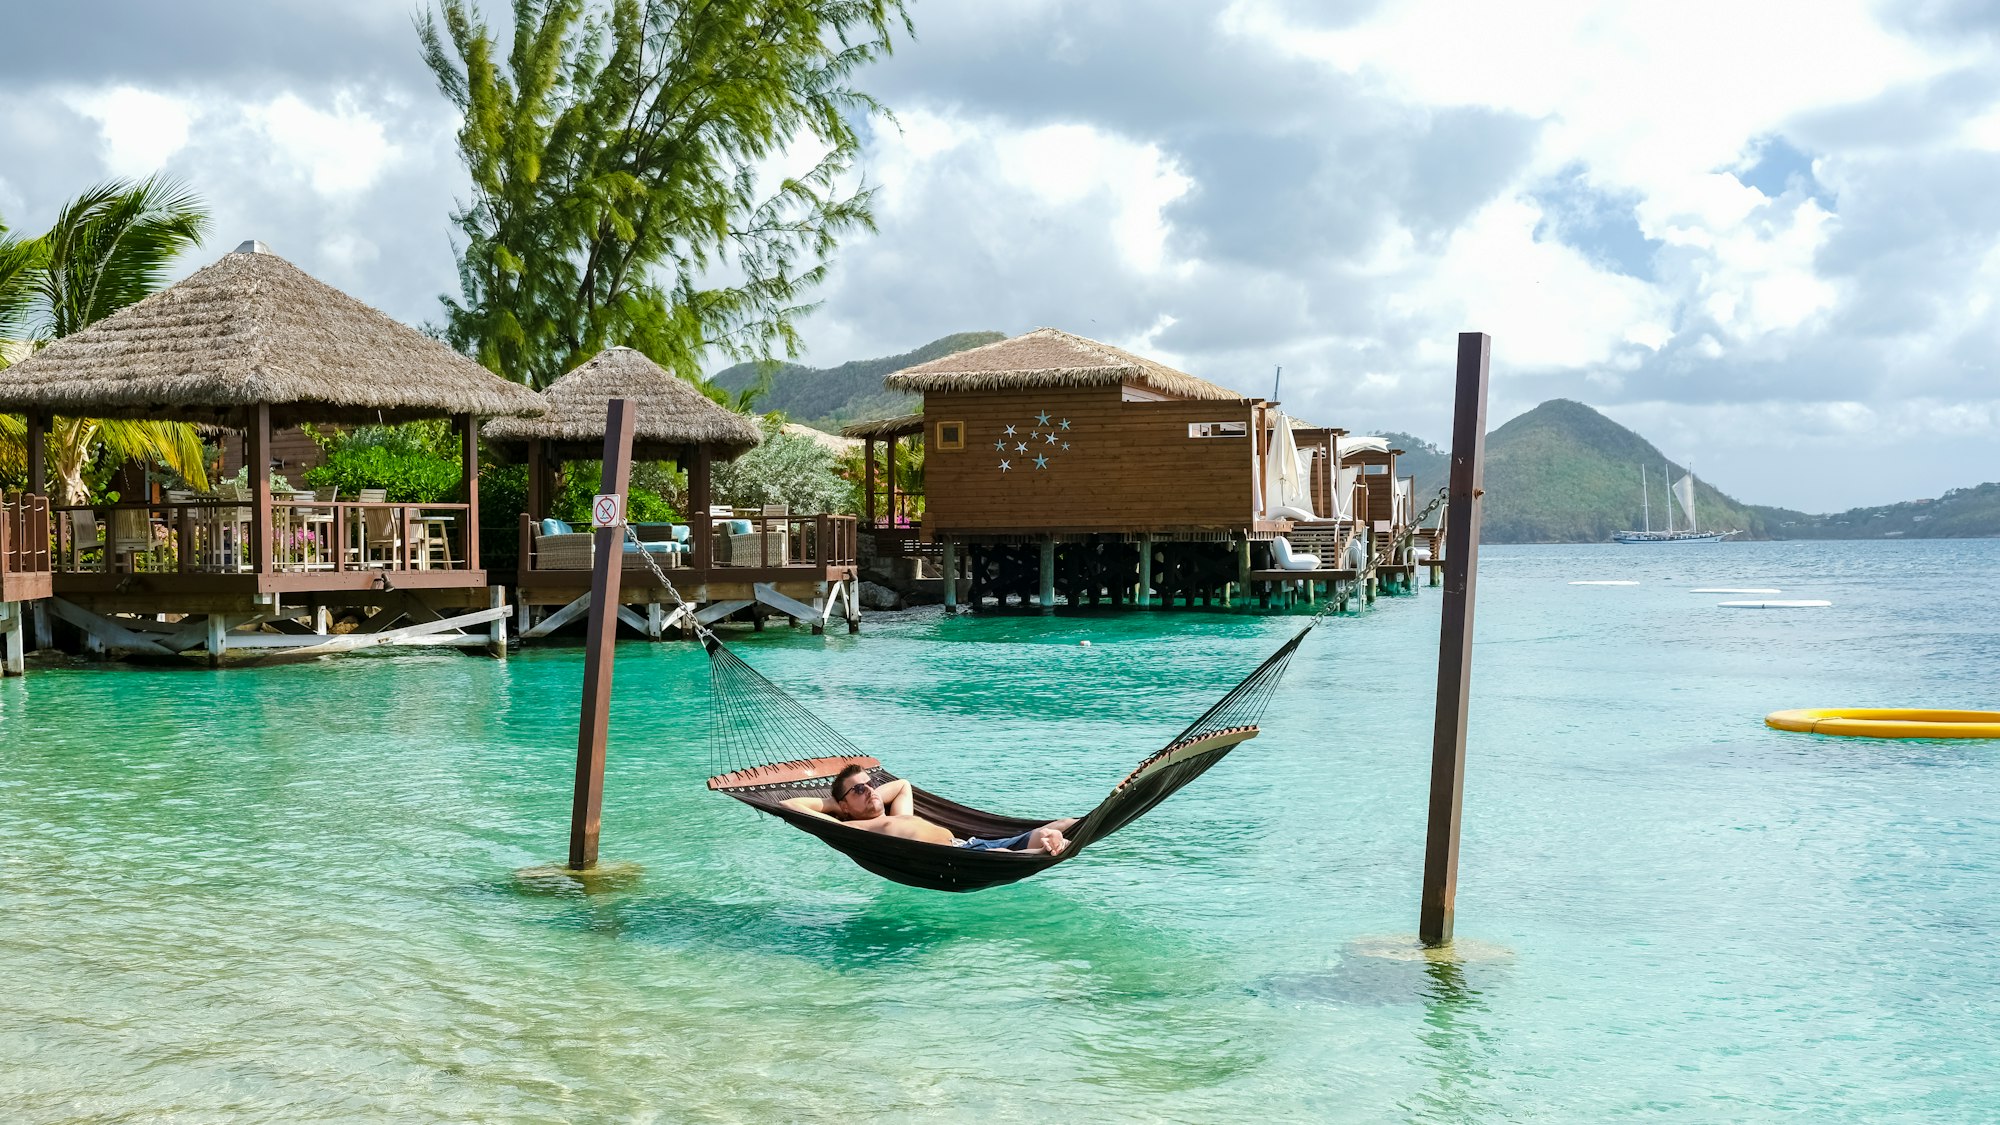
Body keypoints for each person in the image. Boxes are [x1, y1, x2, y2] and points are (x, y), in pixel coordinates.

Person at [782, 762, 1077, 854]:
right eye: (859, 789)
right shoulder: (851, 829)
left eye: (870, 784)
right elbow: (790, 804)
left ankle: (1093, 819)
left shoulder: (900, 816)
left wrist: (864, 794)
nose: (870, 790)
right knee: (1007, 855)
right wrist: (834, 804)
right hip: (959, 858)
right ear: (844, 806)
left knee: (1063, 824)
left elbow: (902, 785)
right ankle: (1050, 849)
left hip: (970, 845)